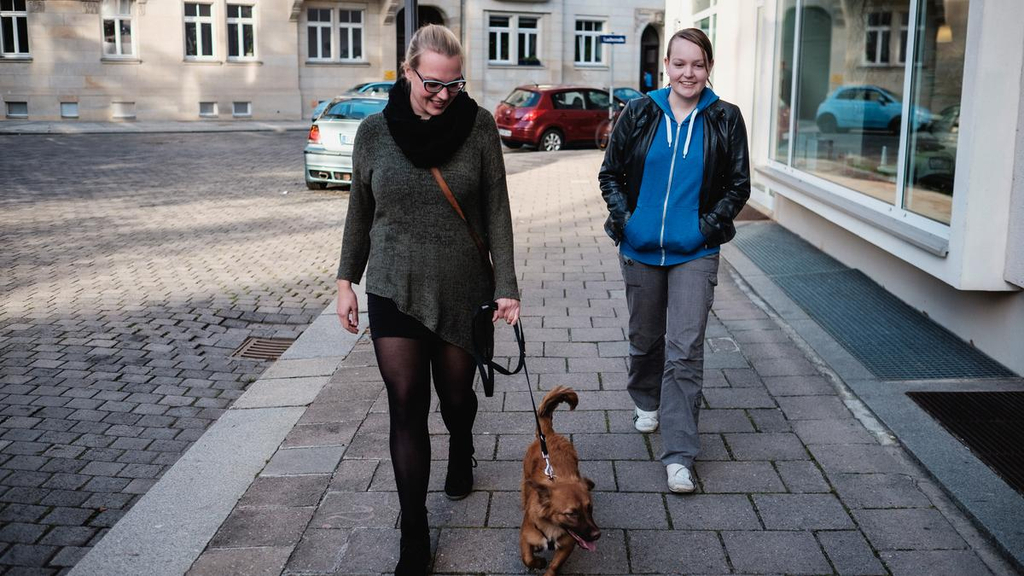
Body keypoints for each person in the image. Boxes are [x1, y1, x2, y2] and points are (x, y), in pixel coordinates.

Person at [334, 24, 520, 576]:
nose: (443, 95)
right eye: (432, 84)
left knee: (456, 396)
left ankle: (462, 444)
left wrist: (506, 285)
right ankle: (414, 531)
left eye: (454, 85)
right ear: (407, 70)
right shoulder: (373, 132)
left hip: (462, 285)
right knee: (406, 404)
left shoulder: (479, 127)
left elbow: (497, 210)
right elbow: (360, 211)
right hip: (392, 285)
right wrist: (346, 279)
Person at [598, 28, 750, 494]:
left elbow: (737, 186)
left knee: (685, 351)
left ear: (709, 68)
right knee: (646, 339)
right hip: (641, 249)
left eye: (698, 65)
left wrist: (704, 229)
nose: (689, 73)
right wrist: (629, 223)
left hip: (696, 253)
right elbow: (611, 174)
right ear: (667, 65)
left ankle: (680, 456)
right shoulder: (641, 111)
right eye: (680, 63)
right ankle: (646, 399)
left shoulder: (725, 118)